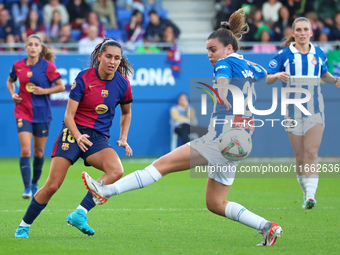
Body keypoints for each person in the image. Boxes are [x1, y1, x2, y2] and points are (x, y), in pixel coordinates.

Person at [82, 8, 283, 246]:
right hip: (240, 141)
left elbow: (220, 79)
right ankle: (268, 227)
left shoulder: (225, 62)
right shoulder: (248, 65)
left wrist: (221, 89)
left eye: (213, 49)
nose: (209, 54)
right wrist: (278, 75)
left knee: (160, 166)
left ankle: (105, 191)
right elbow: (265, 75)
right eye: (208, 50)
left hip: (222, 137)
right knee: (215, 203)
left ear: (228, 48)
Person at [14, 38, 134, 238]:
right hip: (72, 132)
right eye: (109, 57)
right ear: (99, 57)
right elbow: (68, 116)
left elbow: (127, 113)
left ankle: (80, 212)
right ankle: (23, 226)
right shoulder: (84, 78)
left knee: (116, 170)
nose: (113, 61)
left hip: (97, 138)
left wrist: (123, 137)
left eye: (117, 58)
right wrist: (77, 136)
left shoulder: (123, 84)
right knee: (52, 185)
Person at [266, 17, 340, 210]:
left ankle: (311, 196)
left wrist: (334, 80)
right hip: (292, 112)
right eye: (298, 30)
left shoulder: (320, 53)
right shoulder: (284, 55)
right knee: (299, 157)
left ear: (311, 32)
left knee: (312, 152)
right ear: (293, 33)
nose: (302, 33)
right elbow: (267, 78)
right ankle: (305, 192)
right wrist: (276, 76)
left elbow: (323, 74)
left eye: (305, 29)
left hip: (315, 110)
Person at [6, 34, 65, 200]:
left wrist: (44, 91)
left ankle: (34, 183)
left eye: (35, 45)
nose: (32, 47)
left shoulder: (48, 66)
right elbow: (10, 82)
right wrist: (12, 94)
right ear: (25, 47)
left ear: (40, 48)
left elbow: (61, 86)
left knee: (39, 152)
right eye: (29, 44)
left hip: (42, 113)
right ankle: (26, 189)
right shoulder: (17, 65)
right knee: (25, 149)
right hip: (22, 111)